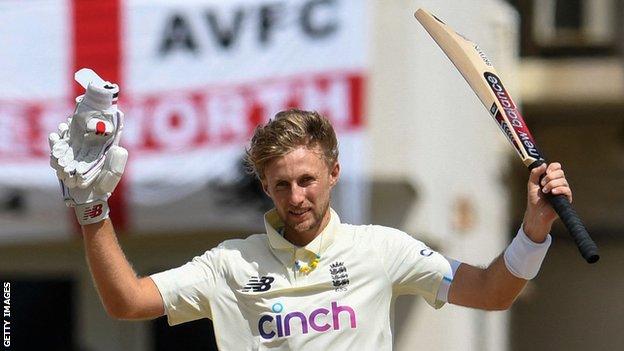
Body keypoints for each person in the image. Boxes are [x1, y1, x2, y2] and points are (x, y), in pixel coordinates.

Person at [50, 84, 572, 350]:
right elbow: (126, 303)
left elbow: (491, 292)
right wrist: (92, 212)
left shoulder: (381, 249)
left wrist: (533, 230)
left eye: (307, 181)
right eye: (281, 185)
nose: (296, 197)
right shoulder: (230, 264)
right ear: (265, 188)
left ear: (334, 174)